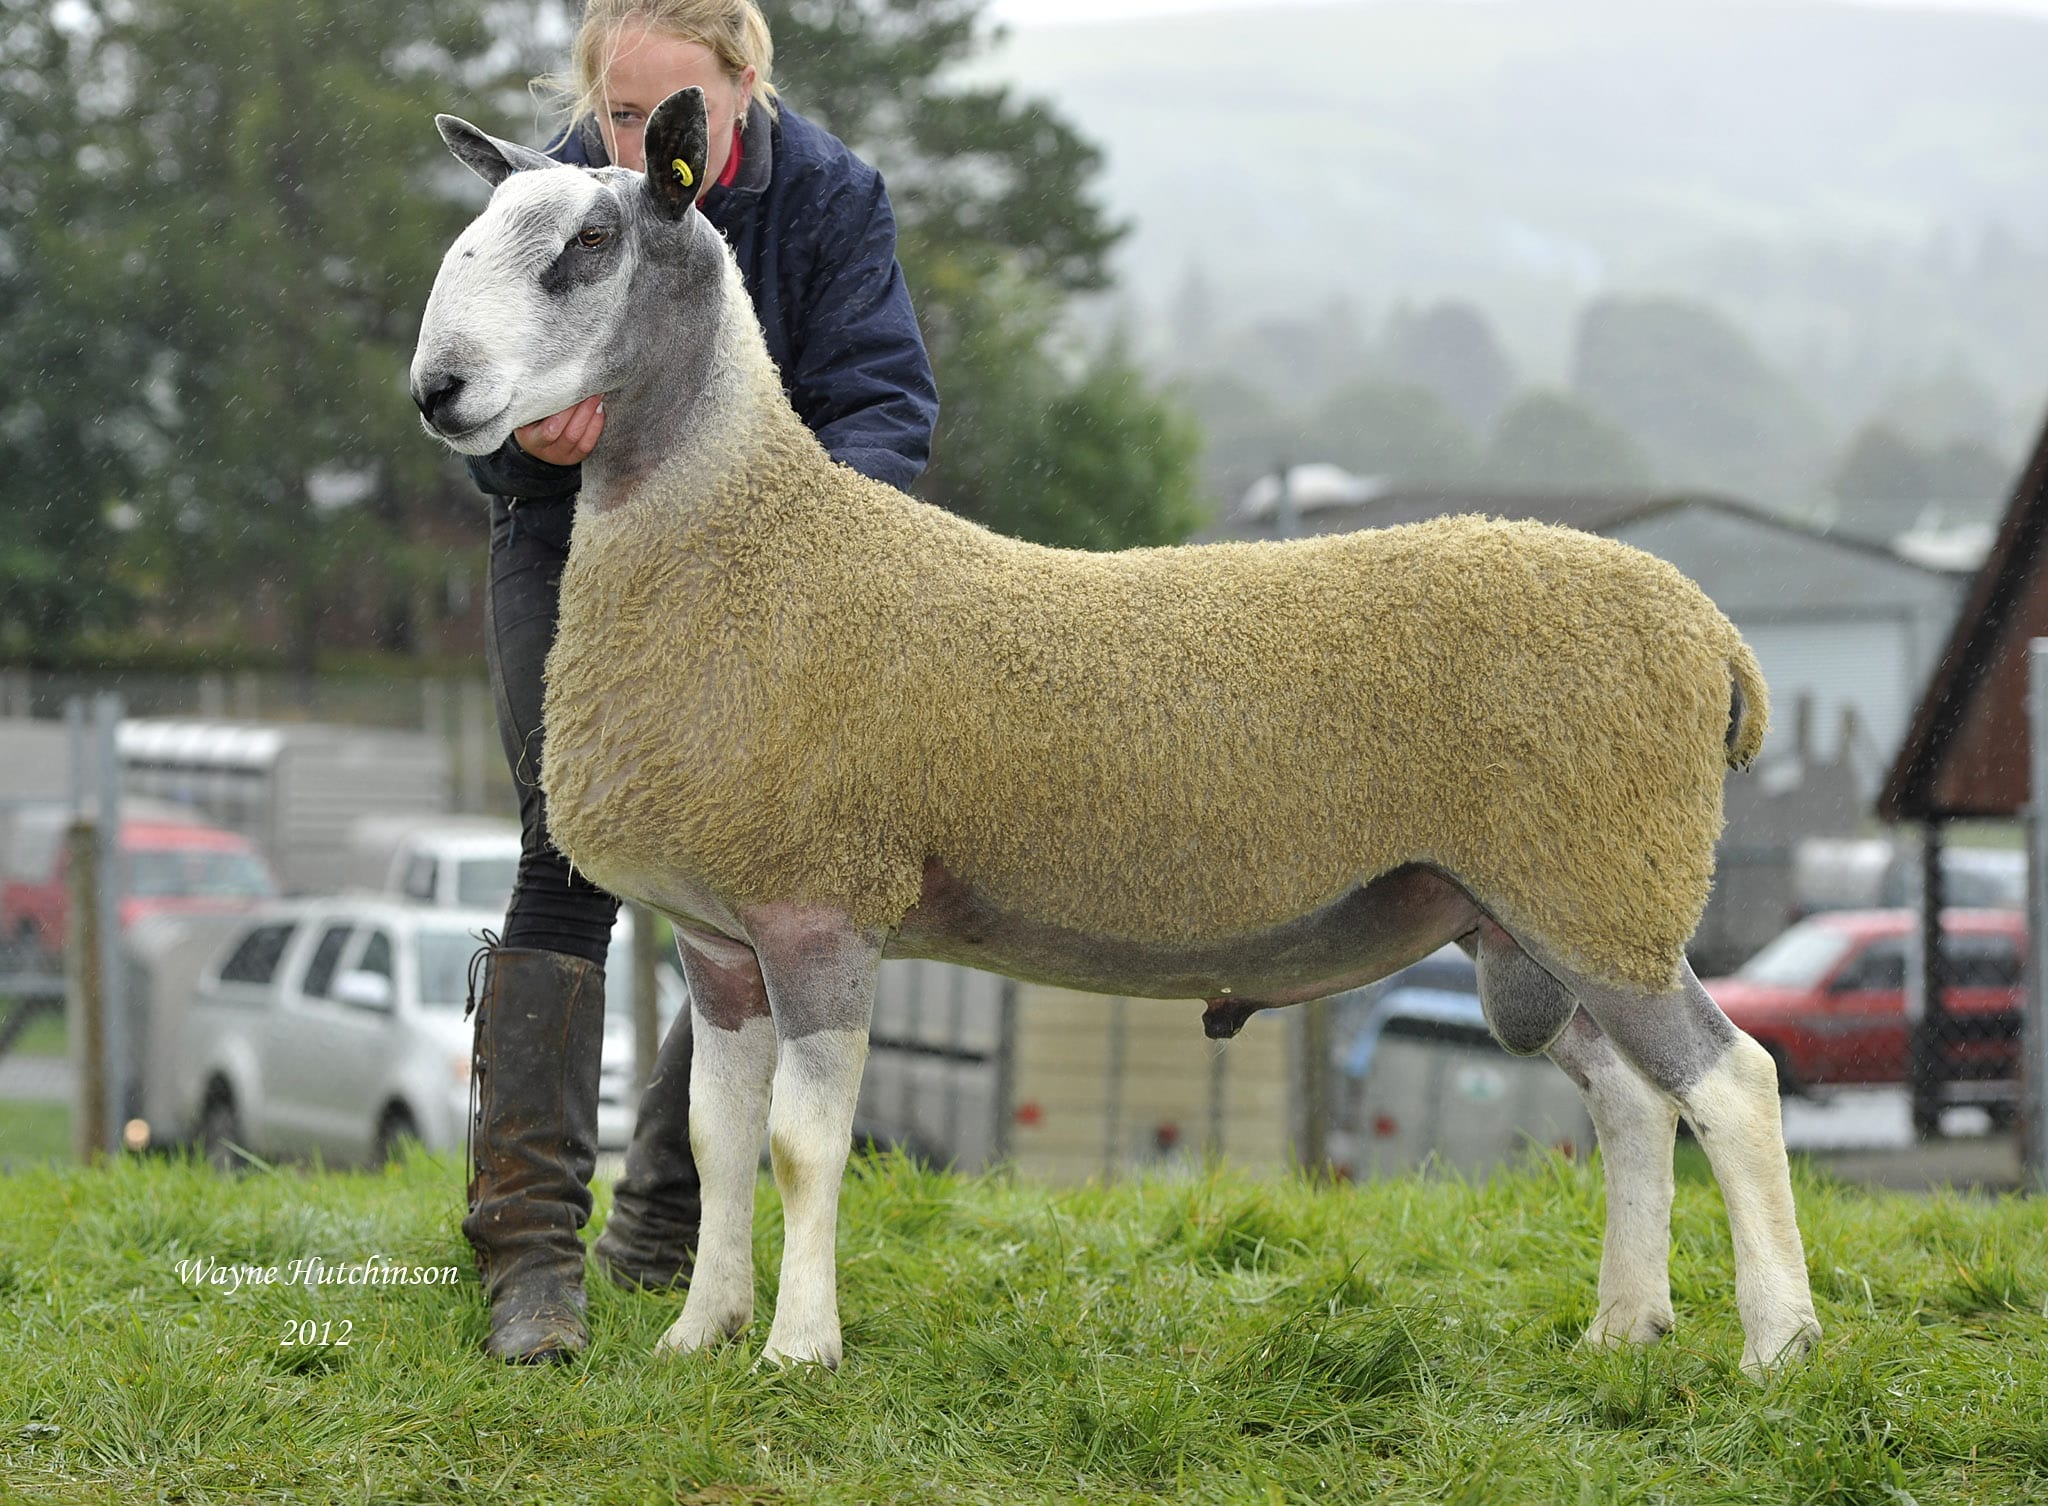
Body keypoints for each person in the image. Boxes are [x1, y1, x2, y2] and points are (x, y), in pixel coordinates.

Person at [462, 0, 939, 1364]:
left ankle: (670, 1223)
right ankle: (528, 1255)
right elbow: (482, 410)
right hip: (569, 547)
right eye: (617, 115)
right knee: (566, 853)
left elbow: (883, 400)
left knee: (756, 877)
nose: (639, 140)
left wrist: (794, 552)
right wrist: (535, 443)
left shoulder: (835, 198)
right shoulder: (550, 196)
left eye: (670, 114)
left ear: (745, 85)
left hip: (763, 560)